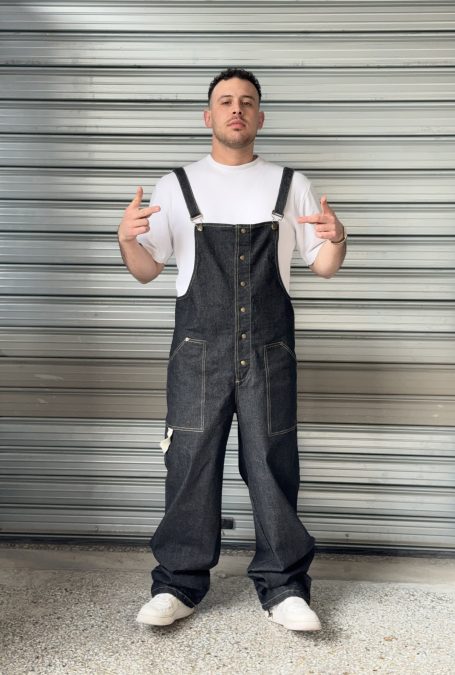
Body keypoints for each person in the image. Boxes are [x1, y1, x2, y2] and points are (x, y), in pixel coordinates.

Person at [117, 68, 347, 632]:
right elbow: (147, 271)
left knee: (272, 464)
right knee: (189, 465)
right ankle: (178, 583)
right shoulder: (177, 185)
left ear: (260, 117)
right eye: (225, 101)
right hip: (198, 353)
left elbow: (322, 266)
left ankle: (285, 586)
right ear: (209, 116)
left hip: (270, 351)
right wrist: (126, 239)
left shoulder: (290, 184)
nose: (236, 109)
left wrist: (337, 240)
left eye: (247, 101)